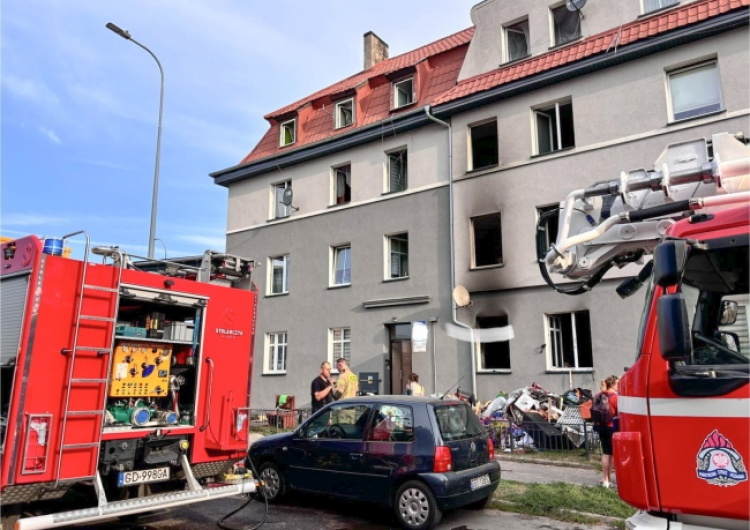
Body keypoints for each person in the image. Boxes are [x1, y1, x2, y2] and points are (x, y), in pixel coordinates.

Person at [595, 375, 620, 488]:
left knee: (606, 453)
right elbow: (619, 413)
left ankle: (606, 478)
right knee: (612, 454)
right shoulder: (615, 397)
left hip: (600, 426)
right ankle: (607, 480)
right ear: (614, 384)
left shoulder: (599, 395)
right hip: (612, 427)